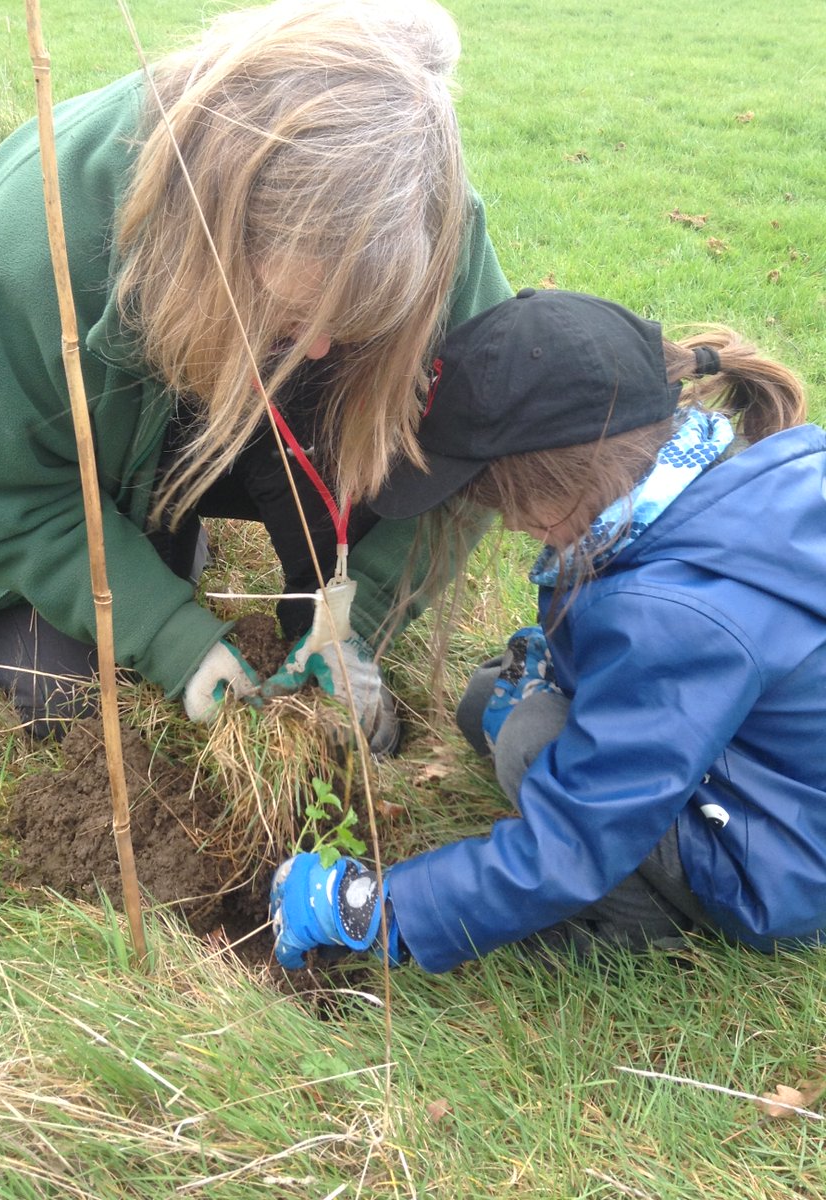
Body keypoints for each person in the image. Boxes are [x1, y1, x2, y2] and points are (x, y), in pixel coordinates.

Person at [0, 0, 511, 747]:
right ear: (220, 232)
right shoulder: (33, 247)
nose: (324, 350)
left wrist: (354, 623)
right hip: (105, 461)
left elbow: (473, 447)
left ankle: (311, 628)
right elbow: (3, 492)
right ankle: (156, 530)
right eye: (297, 316)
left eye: (349, 324)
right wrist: (168, 634)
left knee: (342, 381)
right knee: (68, 703)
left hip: (261, 422)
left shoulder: (420, 207)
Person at [269, 285, 826, 974]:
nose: (505, 523)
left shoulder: (671, 618)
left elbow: (578, 838)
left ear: (559, 477)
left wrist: (380, 906)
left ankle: (629, 927)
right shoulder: (720, 477)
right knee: (488, 703)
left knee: (531, 742)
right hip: (787, 783)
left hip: (782, 865)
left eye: (503, 499)